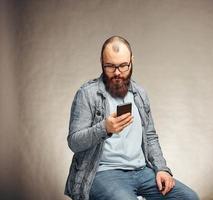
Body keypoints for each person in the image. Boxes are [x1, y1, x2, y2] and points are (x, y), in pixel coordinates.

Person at [64, 36, 199, 200]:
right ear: (101, 62)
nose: (117, 73)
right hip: (103, 173)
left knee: (189, 198)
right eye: (110, 66)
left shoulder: (140, 94)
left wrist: (162, 169)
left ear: (131, 60)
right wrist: (104, 128)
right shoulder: (87, 94)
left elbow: (150, 136)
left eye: (123, 66)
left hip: (142, 171)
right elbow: (74, 142)